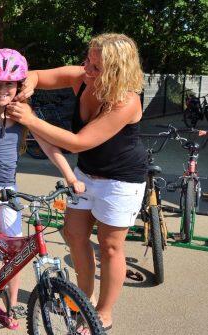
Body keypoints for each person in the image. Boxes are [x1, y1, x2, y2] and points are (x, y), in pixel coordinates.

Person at [8, 33, 147, 332]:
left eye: (96, 66)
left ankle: (104, 312)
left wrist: (30, 120)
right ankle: (84, 297)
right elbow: (34, 75)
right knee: (73, 234)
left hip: (121, 180)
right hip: (86, 173)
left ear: (116, 70)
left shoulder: (126, 100)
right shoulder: (82, 77)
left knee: (110, 247)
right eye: (87, 60)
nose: (87, 69)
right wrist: (28, 84)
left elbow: (78, 142)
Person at [0, 48, 83, 335]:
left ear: (19, 85)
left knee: (17, 252)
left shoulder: (23, 113)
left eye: (9, 84)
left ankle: (9, 306)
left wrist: (70, 177)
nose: (2, 90)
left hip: (9, 189)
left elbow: (47, 144)